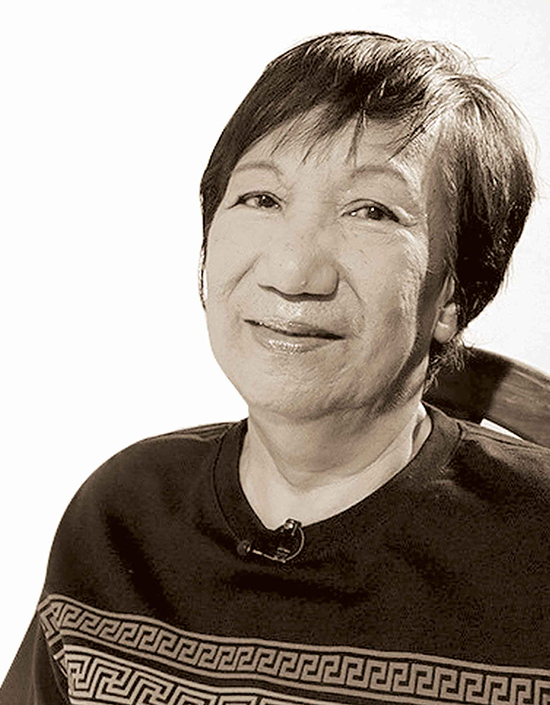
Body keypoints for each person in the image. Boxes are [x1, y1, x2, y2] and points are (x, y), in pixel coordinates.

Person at [2, 29, 549, 705]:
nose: (292, 273)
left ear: (453, 296)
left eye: (372, 211)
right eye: (261, 198)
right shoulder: (122, 515)